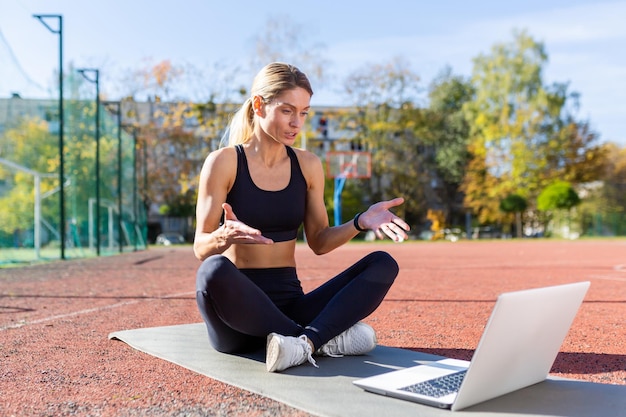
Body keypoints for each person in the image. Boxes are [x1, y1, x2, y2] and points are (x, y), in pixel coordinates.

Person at [194, 62, 410, 373]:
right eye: (287, 111)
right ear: (259, 105)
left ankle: (304, 342)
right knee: (212, 270)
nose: (297, 123)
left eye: (304, 113)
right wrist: (222, 236)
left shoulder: (307, 165)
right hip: (237, 317)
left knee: (382, 263)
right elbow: (200, 249)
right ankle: (322, 339)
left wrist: (360, 221)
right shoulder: (224, 162)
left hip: (291, 305)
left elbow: (319, 241)